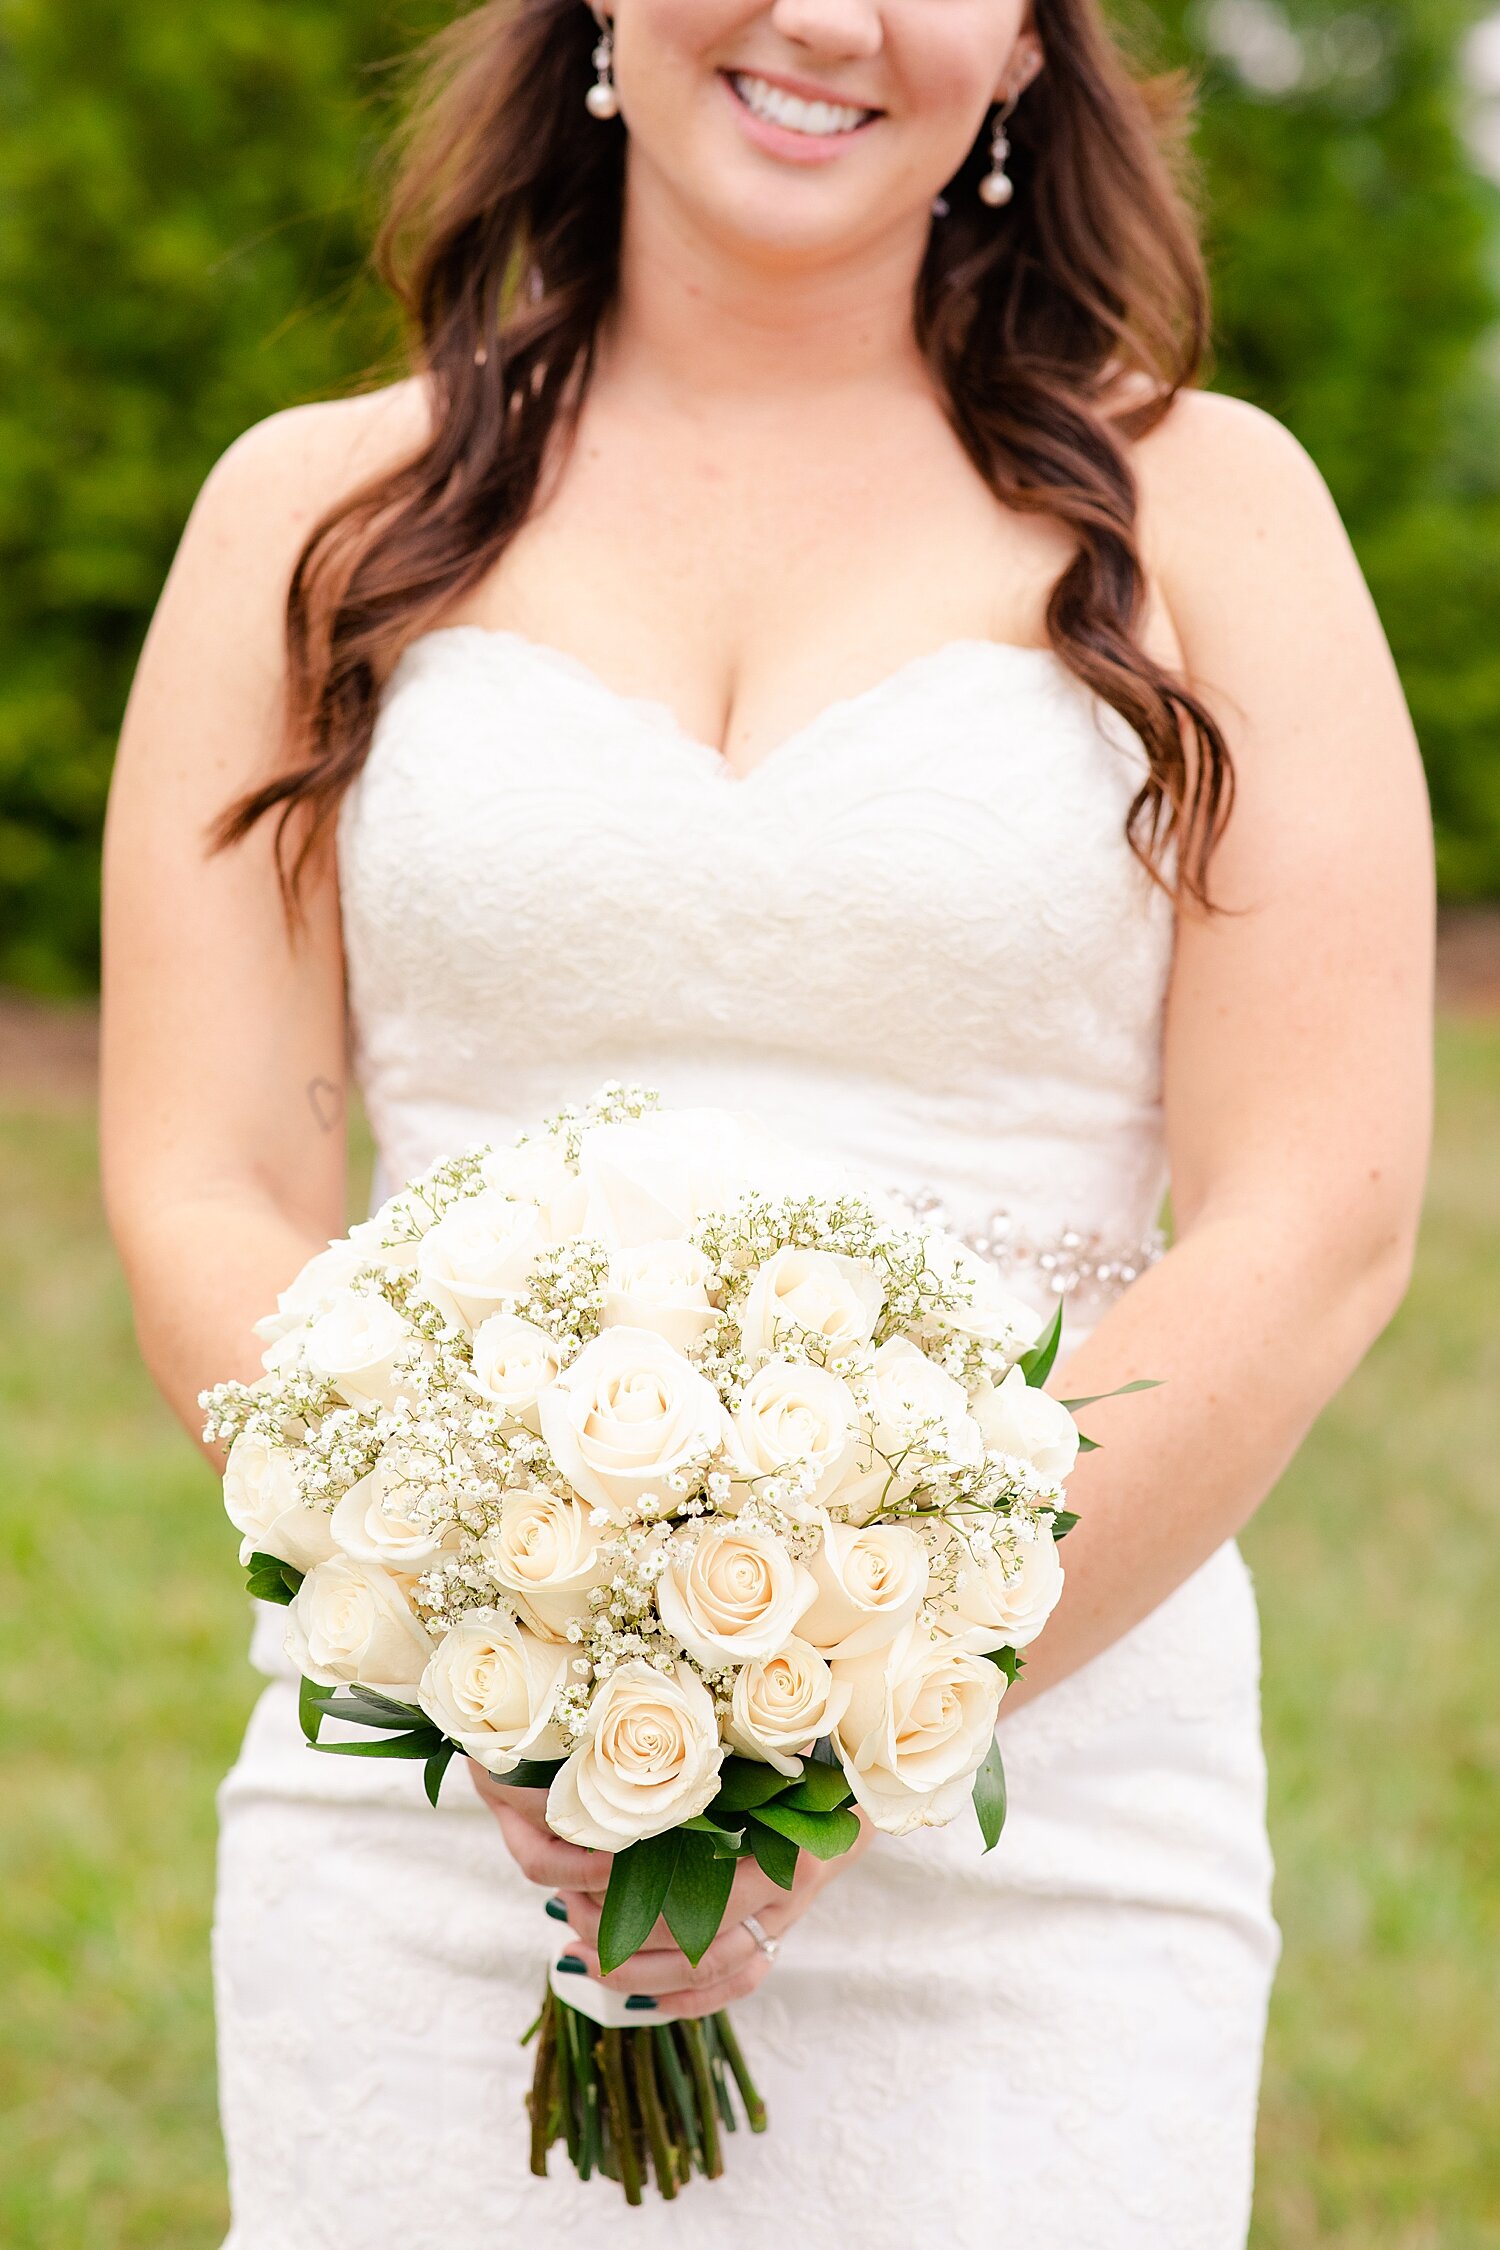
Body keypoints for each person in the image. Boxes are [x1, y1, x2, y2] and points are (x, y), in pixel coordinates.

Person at [99, 1, 1433, 2243]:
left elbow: (1315, 1215)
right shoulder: (313, 514)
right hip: (435, 1816)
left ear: (1026, 47)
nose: (829, 18)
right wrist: (505, 1666)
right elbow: (202, 1183)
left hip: (1046, 1826)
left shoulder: (1221, 516)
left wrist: (837, 1724)